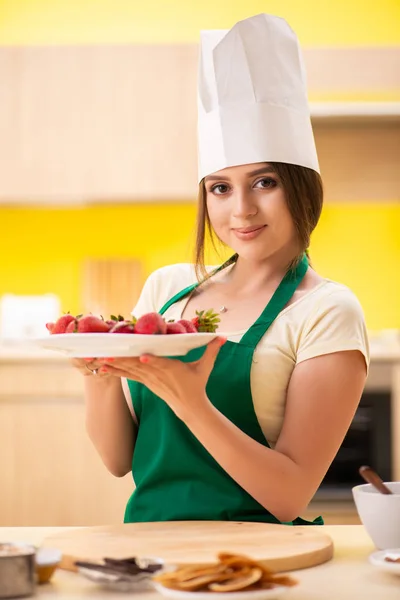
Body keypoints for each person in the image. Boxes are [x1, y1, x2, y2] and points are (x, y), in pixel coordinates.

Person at [73, 14, 369, 524]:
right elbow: (118, 460)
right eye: (220, 188)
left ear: (302, 186)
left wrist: (192, 402)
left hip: (261, 563)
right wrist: (98, 374)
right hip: (149, 553)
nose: (241, 211)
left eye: (264, 182)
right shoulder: (168, 289)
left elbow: (290, 496)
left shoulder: (327, 311)